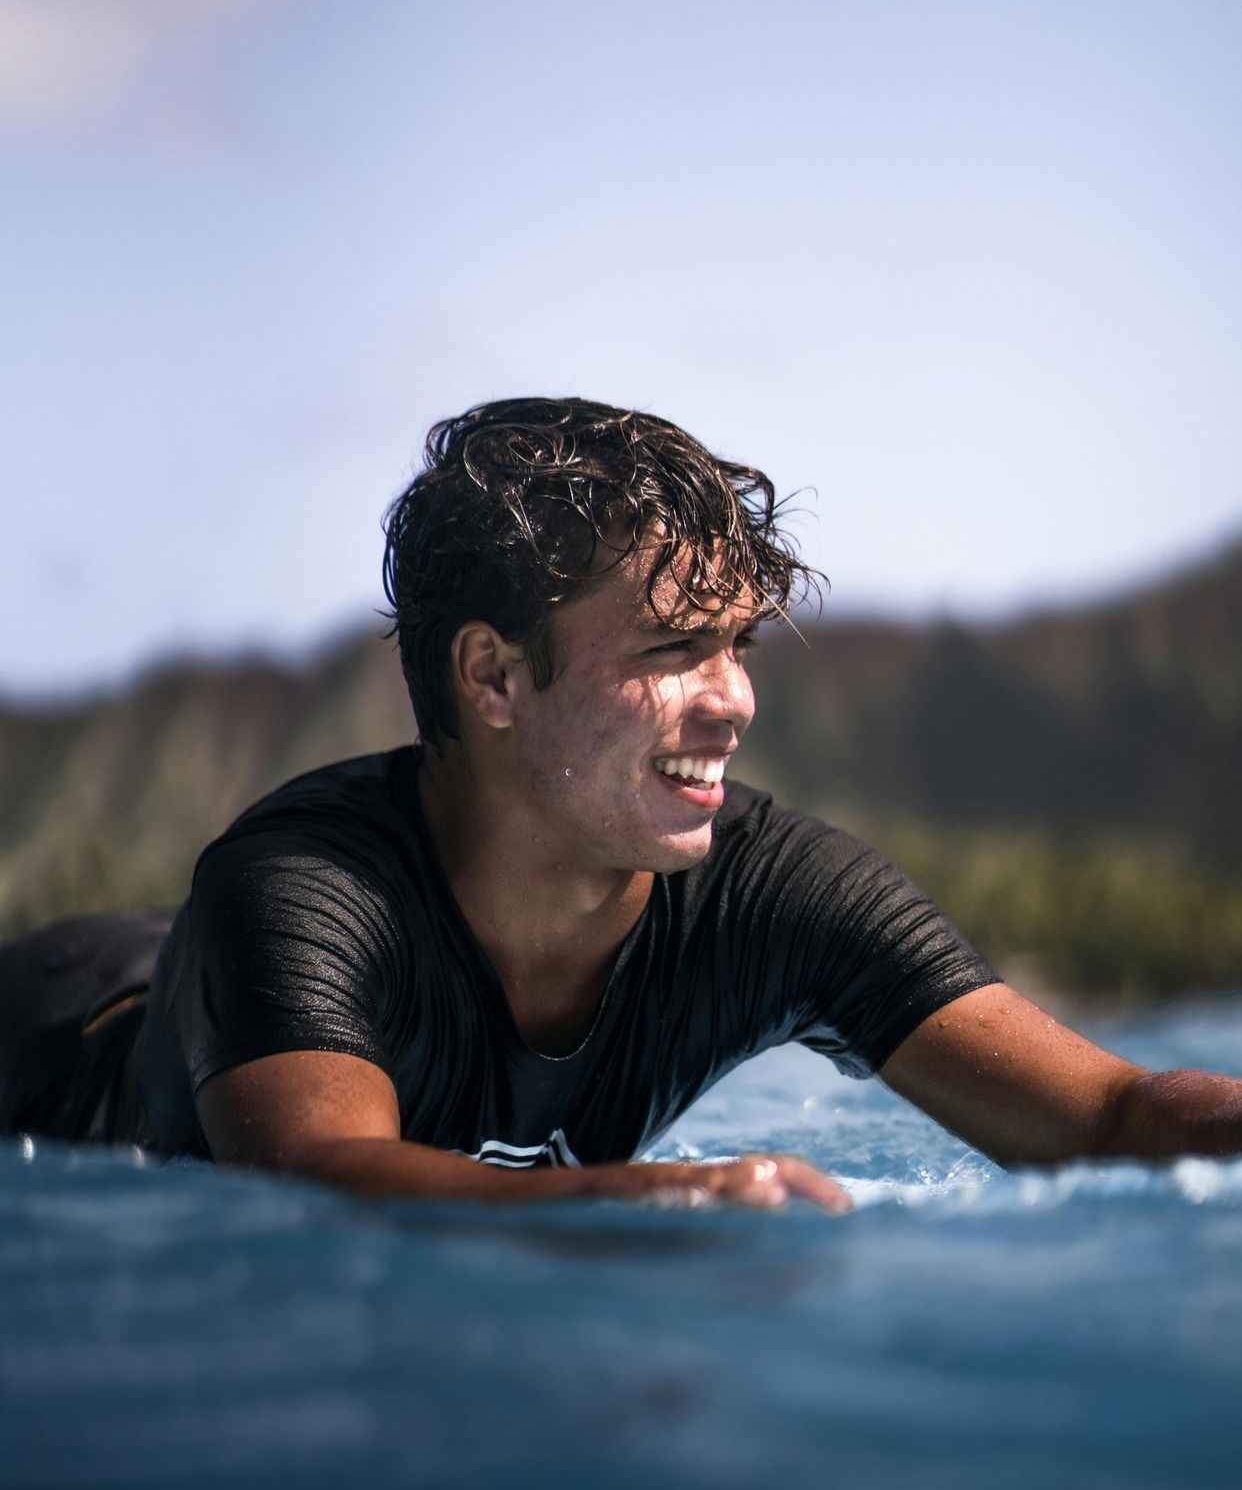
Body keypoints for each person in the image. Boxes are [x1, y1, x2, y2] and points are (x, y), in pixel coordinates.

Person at [4, 398, 1241, 1212]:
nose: (734, 702)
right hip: (53, 1044)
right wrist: (660, 1198)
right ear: (491, 675)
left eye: (738, 643)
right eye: (669, 651)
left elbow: (1114, 1112)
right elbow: (330, 1183)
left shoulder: (774, 894)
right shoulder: (298, 889)